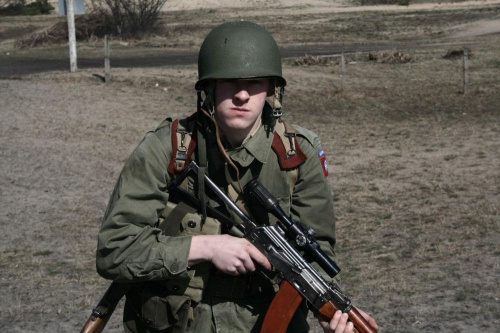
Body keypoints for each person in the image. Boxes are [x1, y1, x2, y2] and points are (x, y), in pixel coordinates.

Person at [96, 20, 378, 333]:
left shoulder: (299, 154)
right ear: (209, 88)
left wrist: (331, 315)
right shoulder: (169, 147)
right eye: (229, 81)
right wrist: (207, 247)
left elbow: (318, 251)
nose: (242, 94)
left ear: (272, 89)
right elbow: (114, 250)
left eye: (255, 82)